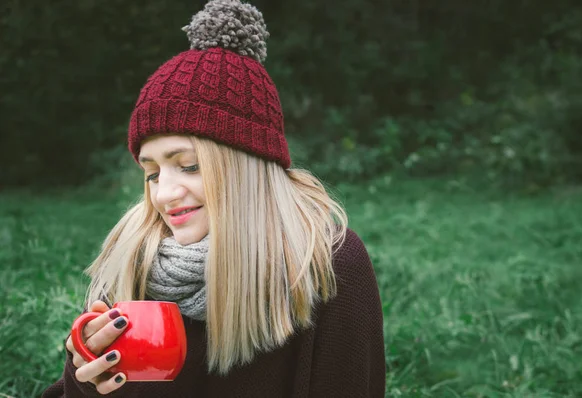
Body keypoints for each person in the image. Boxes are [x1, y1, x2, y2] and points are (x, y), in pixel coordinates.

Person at [42, 0, 385, 396]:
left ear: (245, 168)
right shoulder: (135, 258)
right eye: (152, 173)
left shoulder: (327, 263)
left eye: (188, 166)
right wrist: (84, 377)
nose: (163, 195)